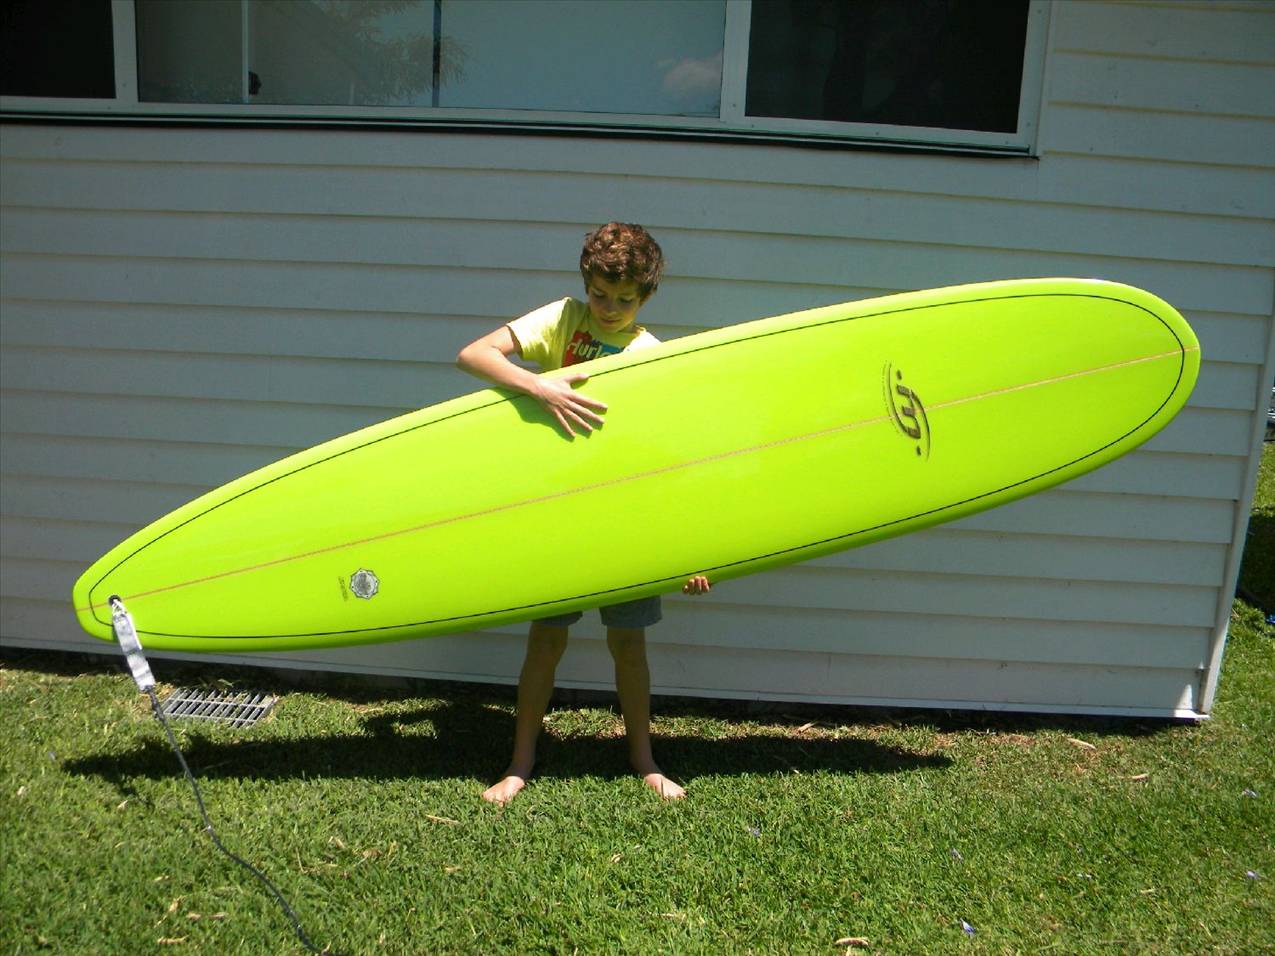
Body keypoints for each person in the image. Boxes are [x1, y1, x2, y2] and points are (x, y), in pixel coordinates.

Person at [456, 221, 710, 805]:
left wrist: (691, 551)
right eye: (600, 294)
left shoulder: (651, 355)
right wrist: (540, 386)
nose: (610, 308)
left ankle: (644, 758)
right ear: (585, 284)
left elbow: (668, 461)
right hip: (560, 515)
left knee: (629, 646)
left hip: (627, 521)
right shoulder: (563, 319)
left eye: (625, 300)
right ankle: (520, 762)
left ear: (647, 296)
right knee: (545, 642)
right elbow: (474, 355)